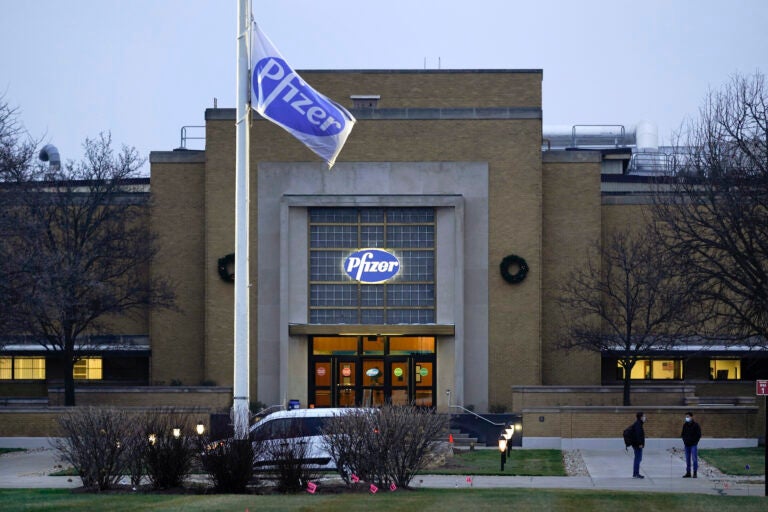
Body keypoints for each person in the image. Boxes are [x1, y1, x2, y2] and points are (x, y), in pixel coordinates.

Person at [680, 411, 702, 478]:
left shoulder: (696, 425)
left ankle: (695, 472)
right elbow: (683, 434)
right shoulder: (685, 425)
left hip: (693, 445)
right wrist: (685, 441)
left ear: (691, 417)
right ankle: (688, 472)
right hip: (687, 445)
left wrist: (695, 442)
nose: (686, 418)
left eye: (688, 417)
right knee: (687, 459)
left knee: (694, 459)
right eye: (686, 417)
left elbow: (698, 435)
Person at [631, 411, 646, 478]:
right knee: (638, 458)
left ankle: (635, 473)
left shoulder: (638, 424)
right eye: (644, 416)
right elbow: (638, 435)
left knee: (638, 458)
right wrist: (640, 443)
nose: (645, 417)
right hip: (637, 445)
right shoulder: (638, 424)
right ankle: (636, 473)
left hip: (636, 444)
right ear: (640, 417)